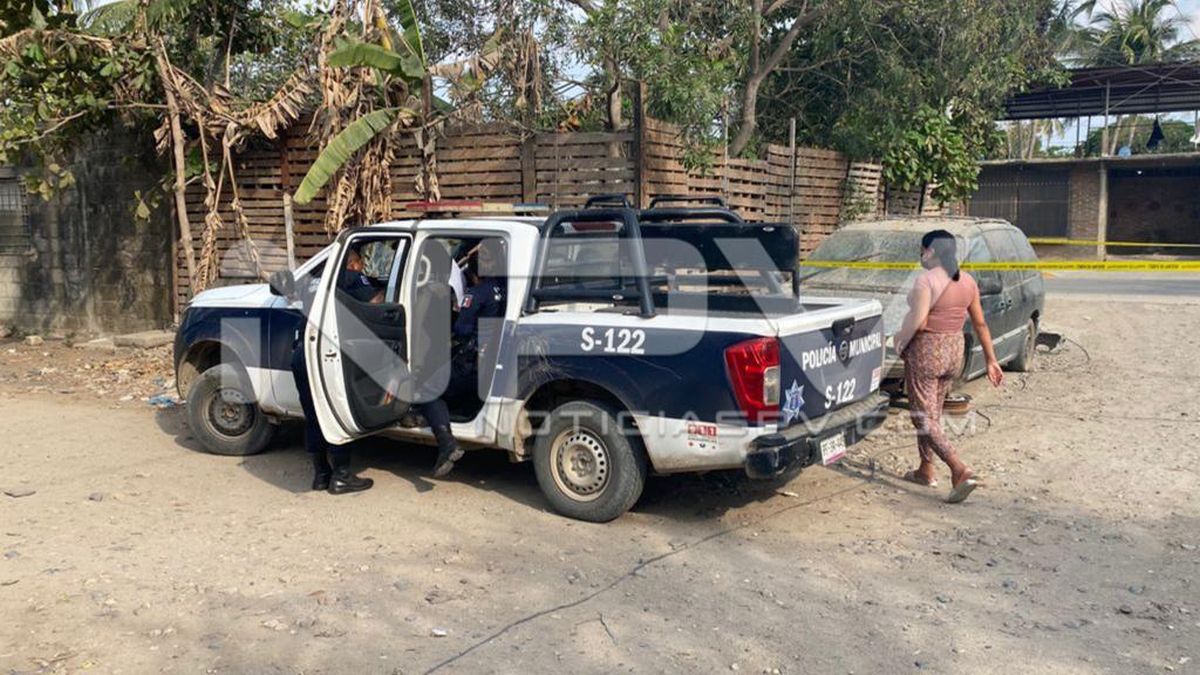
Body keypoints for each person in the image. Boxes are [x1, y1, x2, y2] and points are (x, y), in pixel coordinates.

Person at [894, 230, 1003, 504]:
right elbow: (980, 323)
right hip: (954, 350)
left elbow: (919, 323)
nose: (921, 255)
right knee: (932, 413)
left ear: (931, 251)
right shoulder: (967, 281)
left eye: (922, 250)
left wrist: (899, 338)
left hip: (927, 351)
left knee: (922, 416)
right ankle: (925, 469)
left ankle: (958, 468)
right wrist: (991, 359)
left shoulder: (926, 280)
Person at [288, 245, 379, 494]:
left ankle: (321, 475)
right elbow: (375, 304)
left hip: (302, 353)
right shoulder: (351, 276)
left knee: (313, 415)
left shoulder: (312, 281)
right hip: (326, 355)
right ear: (353, 264)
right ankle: (342, 476)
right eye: (361, 264)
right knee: (336, 412)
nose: (362, 268)